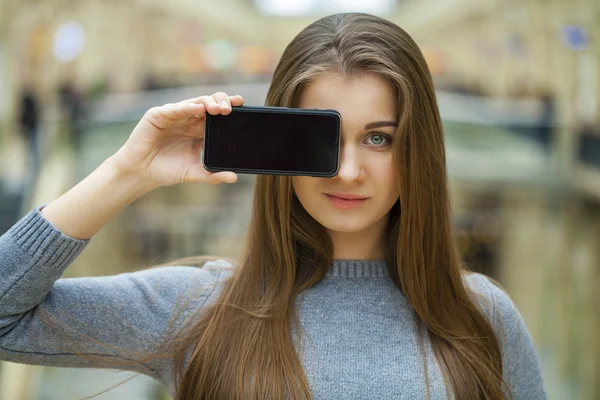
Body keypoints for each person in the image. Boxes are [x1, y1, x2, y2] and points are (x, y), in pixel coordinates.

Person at [0, 13, 545, 400]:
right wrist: (126, 173)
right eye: (325, 142)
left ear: (418, 148)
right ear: (284, 144)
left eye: (380, 138)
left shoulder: (483, 317)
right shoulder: (200, 309)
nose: (349, 170)